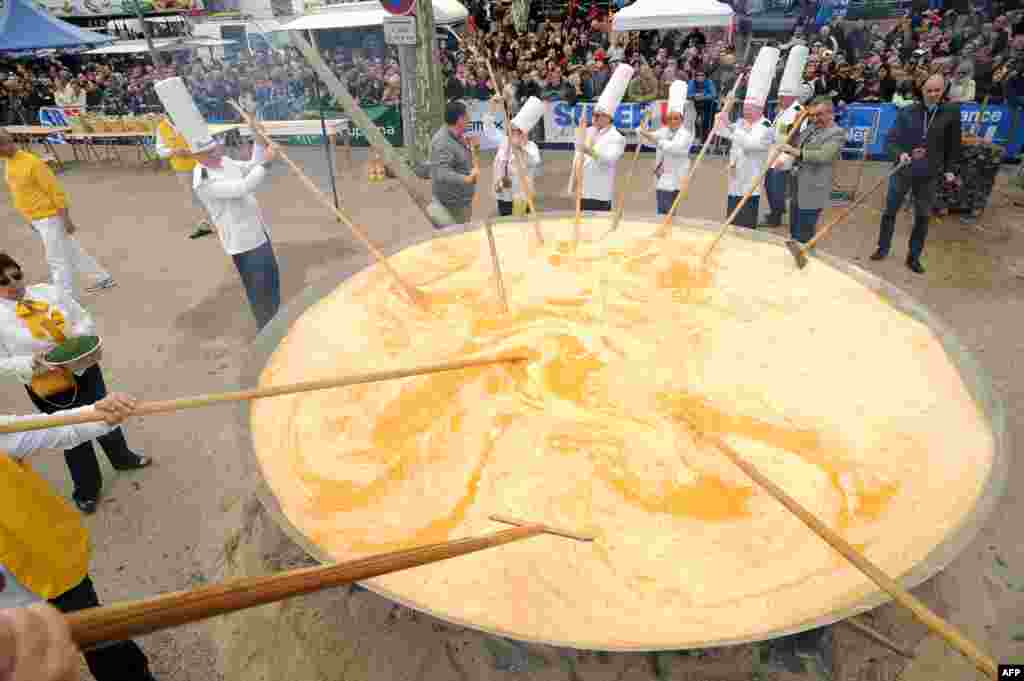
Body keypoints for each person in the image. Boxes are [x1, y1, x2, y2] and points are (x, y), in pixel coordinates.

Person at [0, 393, 159, 681]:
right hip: (9, 605)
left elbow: (53, 428)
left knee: (105, 642)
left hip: (49, 565)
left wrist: (99, 414)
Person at [0, 252, 151, 514]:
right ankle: (87, 488)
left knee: (106, 413)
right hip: (49, 386)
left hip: (85, 368)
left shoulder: (48, 292)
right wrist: (30, 362)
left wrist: (78, 341)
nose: (13, 284)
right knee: (68, 434)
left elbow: (82, 317)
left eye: (16, 275)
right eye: (2, 281)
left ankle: (122, 457)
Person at [155, 77, 282, 330]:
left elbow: (251, 167)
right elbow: (242, 187)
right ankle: (267, 332)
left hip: (259, 233)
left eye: (217, 146)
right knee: (259, 292)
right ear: (200, 156)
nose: (219, 150)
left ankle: (277, 324)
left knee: (272, 282)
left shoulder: (224, 163)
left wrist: (258, 139)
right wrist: (267, 162)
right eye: (212, 149)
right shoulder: (202, 181)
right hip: (243, 242)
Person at [0, 131, 116, 302]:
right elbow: (20, 194)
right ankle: (101, 277)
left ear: (8, 143)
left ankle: (64, 298)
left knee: (56, 259)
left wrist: (66, 219)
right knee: (71, 250)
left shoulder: (33, 163)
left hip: (49, 217)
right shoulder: (9, 163)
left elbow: (55, 192)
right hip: (37, 218)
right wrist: (30, 219)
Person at [870, 75, 961, 273]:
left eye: (937, 90)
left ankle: (914, 257)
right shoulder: (907, 111)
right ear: (922, 90)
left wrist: (950, 170)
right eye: (929, 90)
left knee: (922, 217)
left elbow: (954, 146)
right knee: (889, 212)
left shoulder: (951, 113)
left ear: (943, 90)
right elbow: (891, 141)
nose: (933, 94)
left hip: (929, 175)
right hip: (903, 171)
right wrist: (900, 154)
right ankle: (882, 248)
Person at [776, 97, 846, 243]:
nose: (815, 118)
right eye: (812, 115)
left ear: (830, 113)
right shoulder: (811, 128)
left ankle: (804, 259)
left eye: (819, 114)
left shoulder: (837, 133)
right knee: (794, 229)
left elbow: (824, 156)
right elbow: (792, 142)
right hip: (797, 186)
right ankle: (795, 256)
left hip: (813, 189)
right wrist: (797, 123)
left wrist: (797, 152)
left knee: (804, 233)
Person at [570, 64, 632, 212]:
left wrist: (590, 151)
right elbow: (577, 156)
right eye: (594, 115)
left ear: (608, 117)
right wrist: (573, 181)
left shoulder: (616, 137)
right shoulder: (588, 131)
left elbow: (609, 159)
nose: (594, 118)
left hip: (599, 192)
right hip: (582, 190)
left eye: (598, 115)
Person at [763, 46, 812, 228]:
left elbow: (799, 136)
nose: (780, 98)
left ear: (791, 97)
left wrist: (788, 156)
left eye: (783, 96)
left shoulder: (799, 112)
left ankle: (776, 214)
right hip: (773, 150)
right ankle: (776, 210)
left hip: (786, 153)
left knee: (776, 184)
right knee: (769, 183)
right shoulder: (782, 111)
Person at [638, 81, 694, 215]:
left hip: (676, 175)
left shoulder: (685, 134)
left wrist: (655, 139)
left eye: (676, 118)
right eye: (670, 118)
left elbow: (675, 147)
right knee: (661, 210)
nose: (672, 121)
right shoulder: (664, 130)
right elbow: (646, 138)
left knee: (669, 212)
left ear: (681, 119)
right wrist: (644, 120)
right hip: (662, 176)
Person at [483, 96, 544, 217]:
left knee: (521, 226)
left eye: (517, 130)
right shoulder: (504, 141)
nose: (512, 132)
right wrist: (491, 108)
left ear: (524, 133)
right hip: (503, 194)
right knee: (504, 224)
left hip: (521, 196)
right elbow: (489, 130)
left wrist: (521, 147)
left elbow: (534, 161)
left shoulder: (531, 147)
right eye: (512, 128)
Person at [155, 116, 214, 240]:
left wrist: (191, 150)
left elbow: (208, 142)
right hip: (181, 168)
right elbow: (160, 150)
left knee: (208, 190)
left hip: (200, 164)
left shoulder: (191, 121)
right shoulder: (161, 127)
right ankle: (204, 224)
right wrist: (173, 151)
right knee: (192, 195)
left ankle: (219, 220)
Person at [429, 100, 479, 228]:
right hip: (452, 206)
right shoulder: (443, 142)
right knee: (458, 241)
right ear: (460, 120)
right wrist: (467, 178)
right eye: (467, 117)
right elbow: (442, 173)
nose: (470, 119)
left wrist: (472, 147)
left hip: (462, 201)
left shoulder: (457, 135)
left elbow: (459, 159)